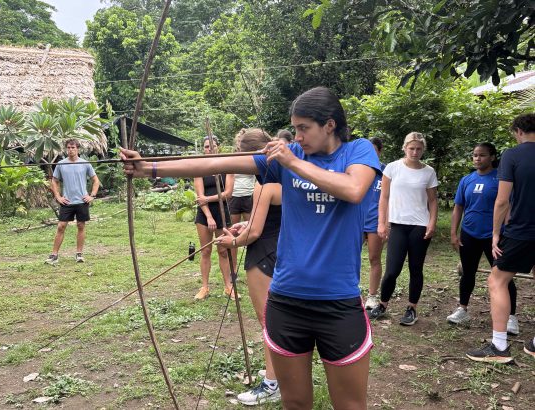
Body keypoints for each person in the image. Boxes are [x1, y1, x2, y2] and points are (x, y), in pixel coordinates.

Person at [122, 86, 380, 409]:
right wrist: (150, 167)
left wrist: (292, 162)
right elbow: (217, 163)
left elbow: (354, 189)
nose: (297, 136)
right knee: (295, 404)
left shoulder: (357, 151)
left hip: (337, 302)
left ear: (329, 124)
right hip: (287, 301)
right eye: (295, 128)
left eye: (304, 128)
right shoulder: (291, 157)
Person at [216, 128, 282, 406]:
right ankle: (276, 372)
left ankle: (272, 383)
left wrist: (230, 243)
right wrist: (244, 225)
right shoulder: (287, 174)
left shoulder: (264, 183)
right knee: (276, 320)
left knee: (269, 322)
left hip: (263, 253)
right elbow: (265, 220)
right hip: (281, 248)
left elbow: (254, 233)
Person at [467, 113, 535, 363]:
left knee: (497, 281)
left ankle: (499, 346)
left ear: (518, 131)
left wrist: (496, 233)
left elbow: (503, 200)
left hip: (522, 230)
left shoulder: (513, 155)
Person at [447, 143, 519, 335]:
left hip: (495, 236)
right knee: (467, 273)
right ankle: (462, 309)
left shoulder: (501, 179)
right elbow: (458, 208)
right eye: (475, 155)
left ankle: (511, 317)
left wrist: (508, 232)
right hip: (469, 234)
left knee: (503, 277)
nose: (477, 159)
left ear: (493, 157)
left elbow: (507, 206)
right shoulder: (467, 180)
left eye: (482, 155)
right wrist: (454, 233)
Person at [369, 132, 438, 326]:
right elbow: (384, 197)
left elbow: (433, 200)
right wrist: (382, 223)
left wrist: (432, 222)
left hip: (419, 225)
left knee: (416, 268)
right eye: (411, 148)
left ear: (423, 150)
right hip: (397, 225)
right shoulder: (392, 168)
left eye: (418, 149)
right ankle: (382, 305)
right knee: (392, 270)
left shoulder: (428, 172)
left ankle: (411, 308)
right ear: (404, 148)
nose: (415, 152)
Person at [45, 139, 100, 265]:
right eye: (68, 147)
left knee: (81, 226)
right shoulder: (61, 164)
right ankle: (54, 255)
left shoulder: (85, 163)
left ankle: (79, 254)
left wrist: (92, 195)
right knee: (61, 226)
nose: (71, 150)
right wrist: (58, 197)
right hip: (67, 202)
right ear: (66, 149)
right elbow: (54, 181)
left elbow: (95, 180)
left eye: (73, 147)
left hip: (82, 201)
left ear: (78, 149)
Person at [193, 136, 235, 300]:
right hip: (205, 213)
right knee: (206, 250)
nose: (209, 149)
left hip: (222, 211)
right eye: (206, 147)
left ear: (218, 147)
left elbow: (228, 193)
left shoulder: (227, 167)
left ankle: (228, 286)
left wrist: (209, 199)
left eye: (212, 146)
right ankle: (204, 287)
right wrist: (209, 216)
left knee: (223, 250)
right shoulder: (200, 169)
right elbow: (199, 196)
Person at [363, 137, 386, 310]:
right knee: (348, 257)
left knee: (374, 258)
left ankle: (372, 296)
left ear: (379, 151)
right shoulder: (356, 169)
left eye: (373, 150)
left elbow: (390, 199)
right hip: (354, 220)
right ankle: (349, 292)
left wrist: (386, 223)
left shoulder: (386, 172)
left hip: (375, 222)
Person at [229, 129, 256, 270]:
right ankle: (233, 269)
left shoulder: (252, 157)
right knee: (233, 233)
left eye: (243, 142)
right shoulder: (233, 158)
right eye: (239, 142)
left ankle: (251, 265)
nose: (240, 144)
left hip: (249, 196)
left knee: (250, 232)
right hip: (234, 197)